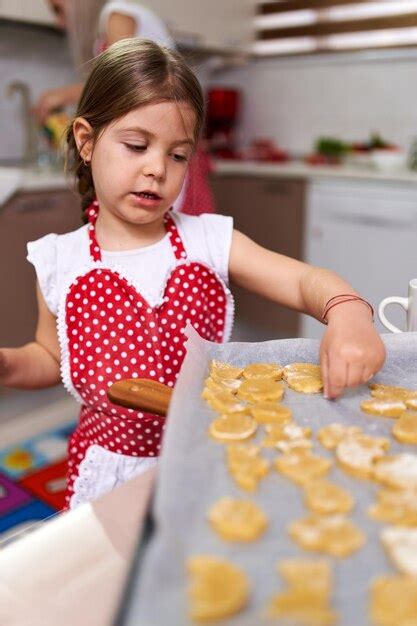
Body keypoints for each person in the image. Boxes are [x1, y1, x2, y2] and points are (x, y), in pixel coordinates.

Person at [0, 39, 385, 510]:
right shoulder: (59, 260)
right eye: (137, 146)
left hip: (206, 452)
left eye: (178, 155)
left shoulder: (209, 241)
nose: (157, 168)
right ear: (86, 141)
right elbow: (50, 358)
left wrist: (347, 312)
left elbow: (305, 282)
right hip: (108, 472)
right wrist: (8, 365)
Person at [34, 0, 215, 216]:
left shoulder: (117, 14)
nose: (59, 22)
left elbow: (122, 83)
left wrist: (60, 96)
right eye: (136, 146)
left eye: (57, 9)